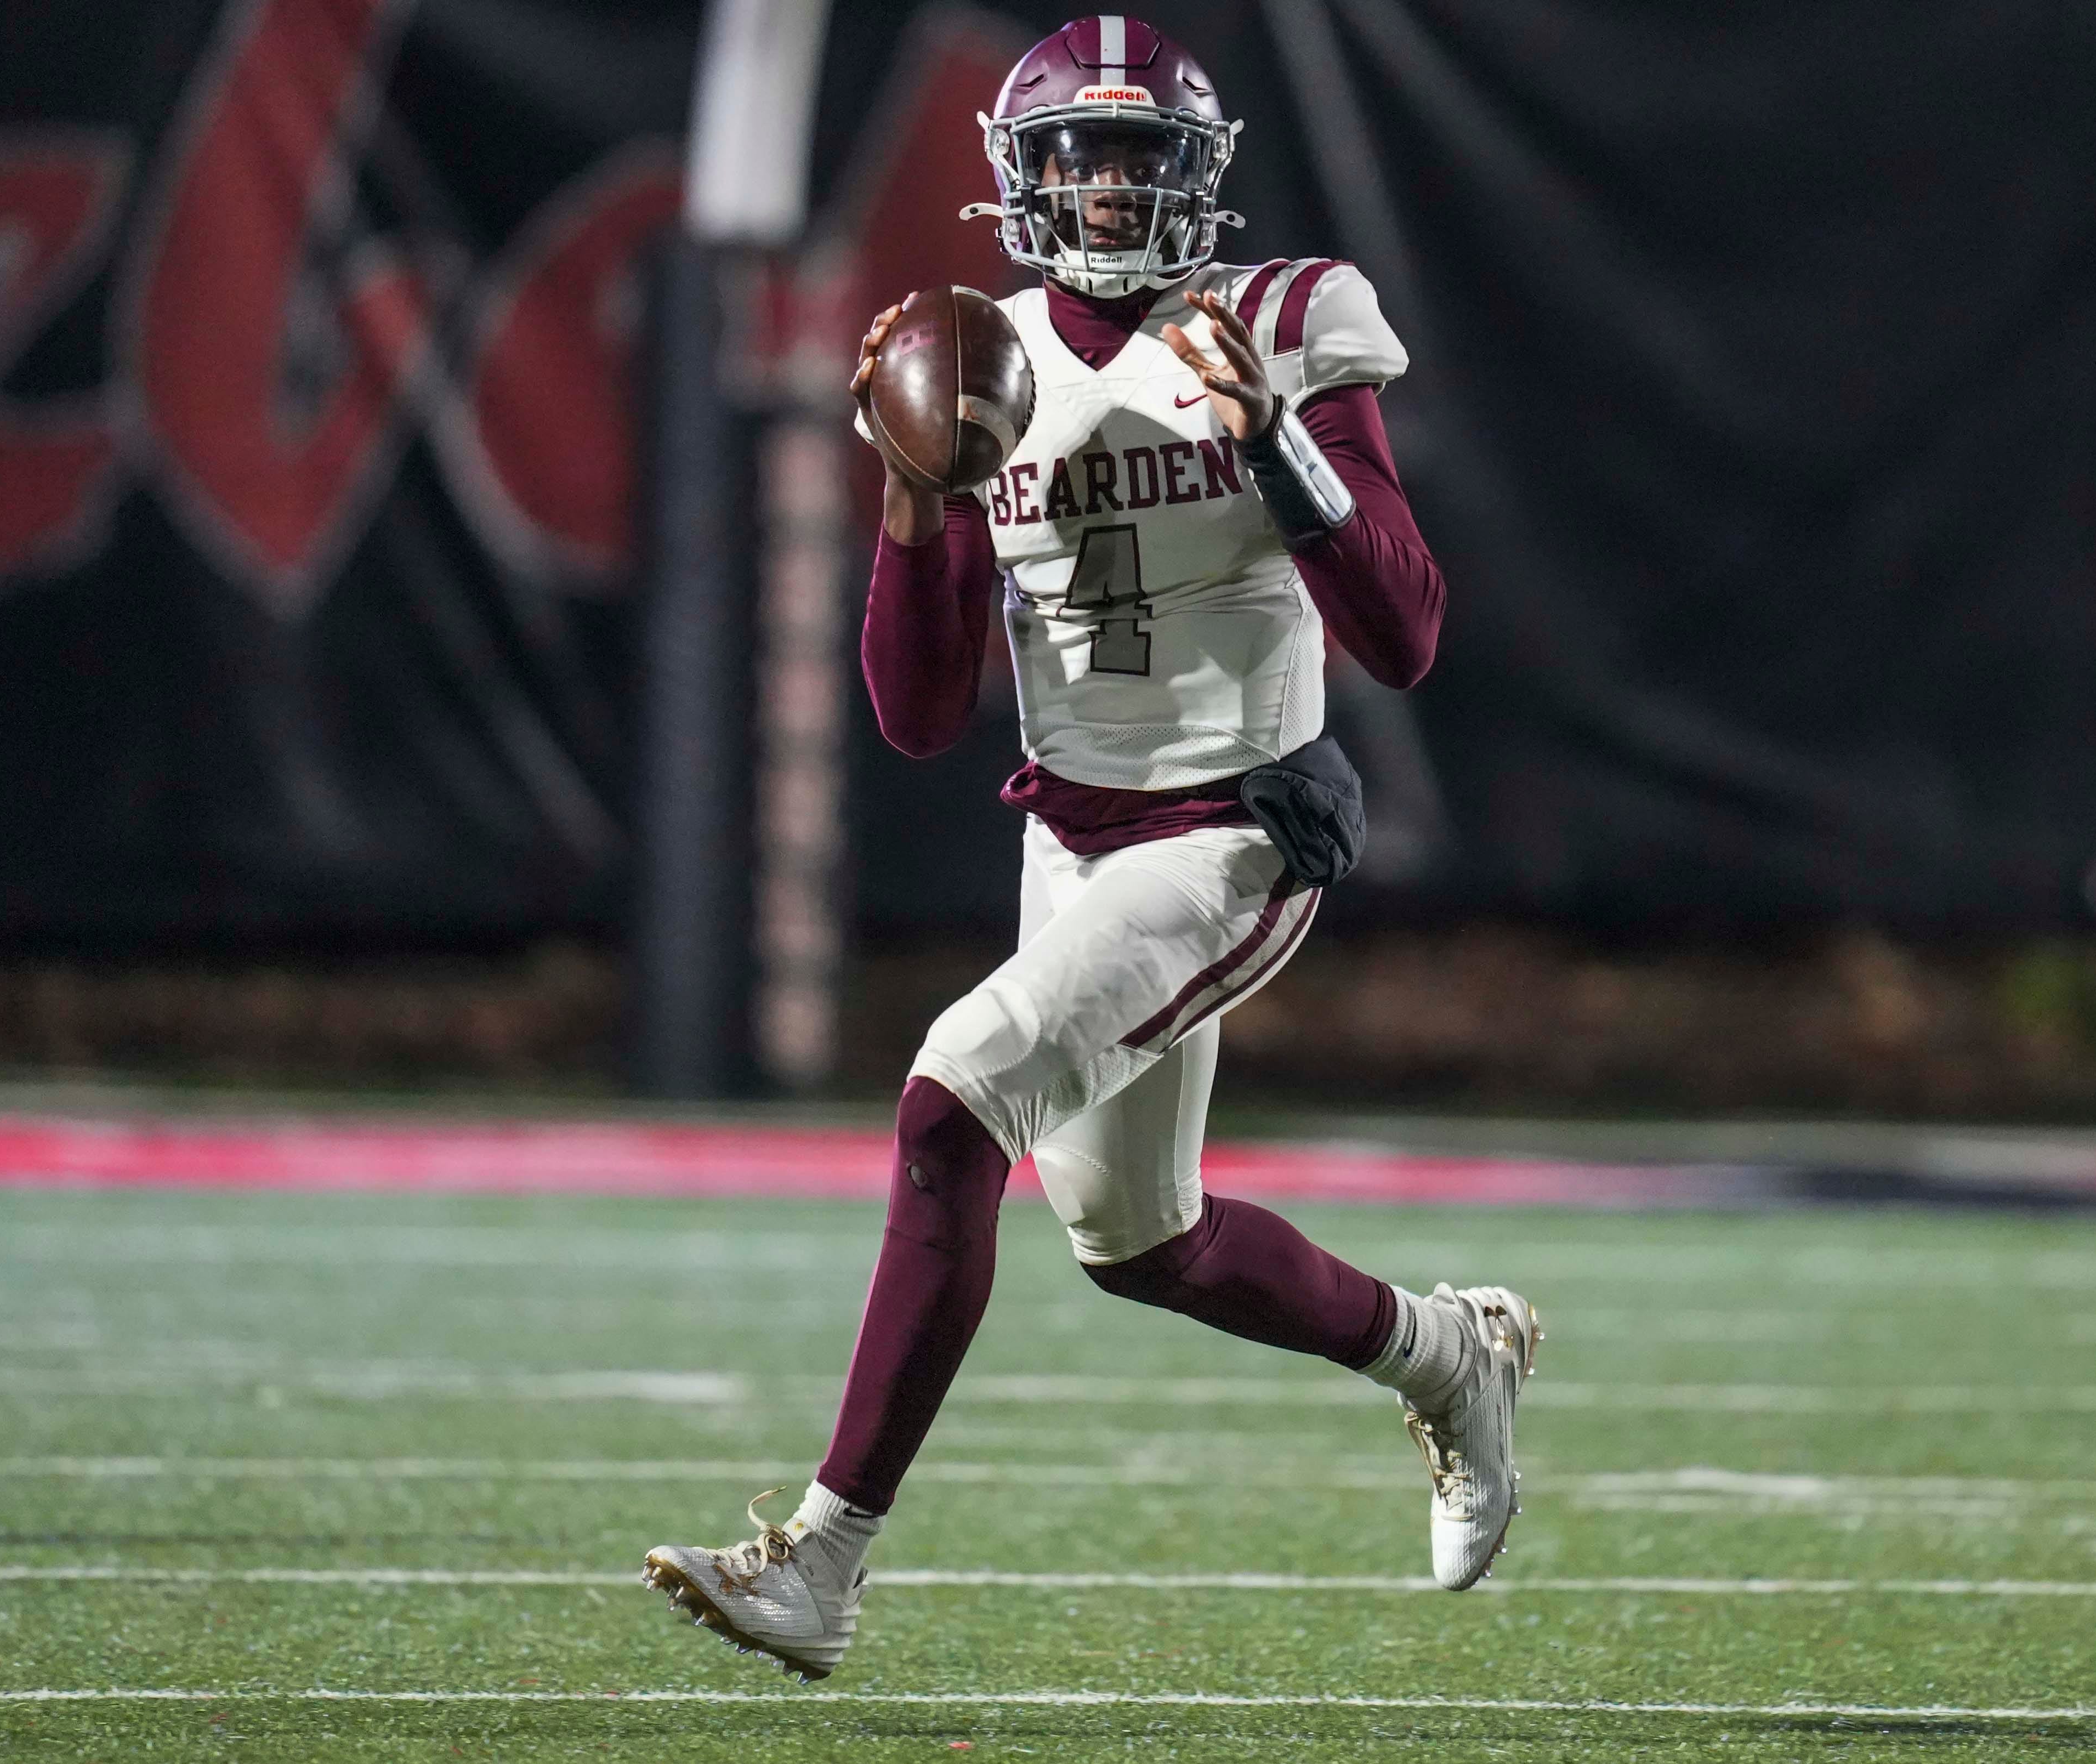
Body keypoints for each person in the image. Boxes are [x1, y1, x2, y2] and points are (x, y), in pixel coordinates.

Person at [641, 15, 1537, 1681]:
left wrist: (1271, 438)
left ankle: (822, 1562)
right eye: (1078, 158)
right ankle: (1445, 1354)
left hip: (1236, 826)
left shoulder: (1285, 316)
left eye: (1139, 157)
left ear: (1198, 175)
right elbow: (919, 716)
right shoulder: (976, 355)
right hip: (1071, 833)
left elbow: (1406, 632)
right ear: (1019, 180)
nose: (1110, 190)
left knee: (949, 1102)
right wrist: (911, 503)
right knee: (1142, 1243)